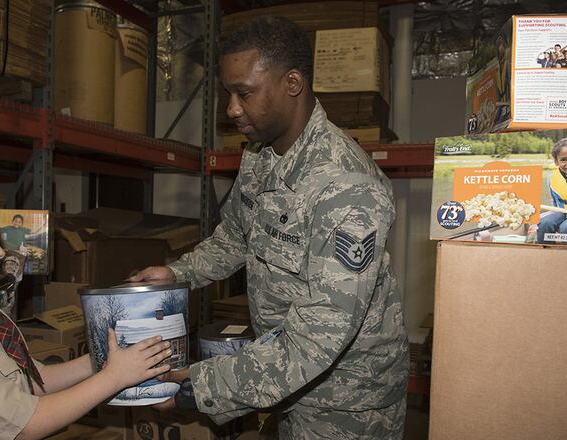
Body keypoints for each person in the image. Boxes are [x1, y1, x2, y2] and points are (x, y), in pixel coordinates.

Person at [130, 15, 408, 439]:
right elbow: (235, 239)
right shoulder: (261, 156)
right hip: (284, 381)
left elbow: (319, 335)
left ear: (292, 83)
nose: (231, 109)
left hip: (346, 404)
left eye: (244, 93)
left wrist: (198, 388)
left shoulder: (346, 187)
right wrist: (178, 274)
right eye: (228, 93)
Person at [0, 184, 172, 439]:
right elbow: (27, 424)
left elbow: (35, 383)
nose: (2, 253)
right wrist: (114, 377)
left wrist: (101, 360)